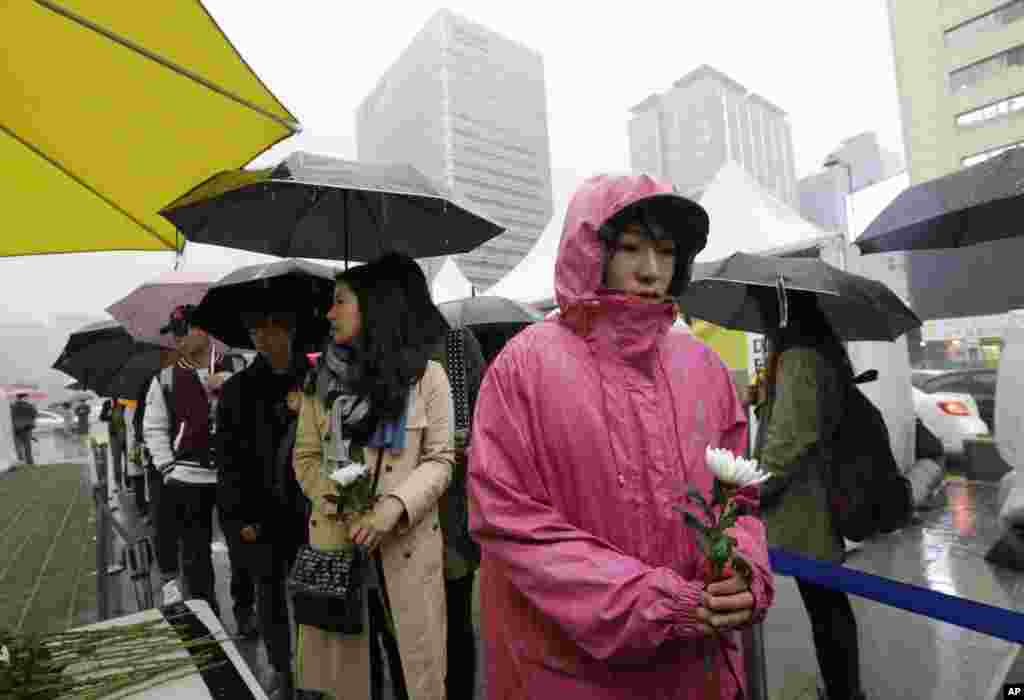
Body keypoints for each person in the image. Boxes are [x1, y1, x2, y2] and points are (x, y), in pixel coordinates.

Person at [468, 174, 775, 700]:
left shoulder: (703, 367)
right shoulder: (524, 366)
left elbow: (738, 498)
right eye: (631, 248)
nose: (651, 269)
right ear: (593, 252)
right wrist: (652, 602)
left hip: (694, 671)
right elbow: (507, 518)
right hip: (565, 671)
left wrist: (745, 569)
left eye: (665, 251)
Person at [292, 251, 454, 700]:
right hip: (339, 552)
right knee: (352, 684)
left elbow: (440, 460)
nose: (329, 313)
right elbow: (305, 458)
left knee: (413, 678)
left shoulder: (427, 379)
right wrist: (340, 499)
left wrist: (392, 510)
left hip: (405, 550)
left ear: (372, 305)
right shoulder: (319, 381)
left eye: (340, 301)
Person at [753, 295, 866, 700]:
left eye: (762, 307)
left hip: (807, 509)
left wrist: (751, 489)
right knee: (827, 604)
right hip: (817, 502)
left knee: (825, 607)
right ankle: (844, 689)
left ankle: (844, 692)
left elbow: (787, 443)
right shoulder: (814, 353)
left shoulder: (799, 359)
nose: (760, 318)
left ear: (782, 311)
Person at [217, 309, 314, 700]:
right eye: (254, 329)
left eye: (270, 328)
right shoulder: (237, 389)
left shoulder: (314, 381)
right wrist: (239, 515)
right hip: (260, 513)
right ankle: (281, 670)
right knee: (269, 592)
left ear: (288, 329)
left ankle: (315, 672)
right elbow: (228, 459)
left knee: (312, 595)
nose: (262, 337)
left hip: (308, 510)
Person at [143, 304, 242, 619]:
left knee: (243, 549)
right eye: (174, 333)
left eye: (183, 330)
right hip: (187, 478)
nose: (178, 339)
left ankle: (245, 610)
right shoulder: (166, 378)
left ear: (203, 330)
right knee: (195, 555)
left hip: (231, 475)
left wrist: (228, 388)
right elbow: (154, 426)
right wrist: (166, 467)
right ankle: (206, 615)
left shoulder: (236, 367)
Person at [431, 325, 487, 700]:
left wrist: (473, 439)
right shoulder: (379, 351)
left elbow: (487, 415)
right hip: (403, 518)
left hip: (451, 510)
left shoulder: (456, 344)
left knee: (455, 620)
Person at [10, 393, 37, 466]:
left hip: (16, 429)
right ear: (24, 397)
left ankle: (21, 462)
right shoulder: (30, 406)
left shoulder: (13, 406)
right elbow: (34, 415)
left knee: (18, 447)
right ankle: (30, 462)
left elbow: (11, 417)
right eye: (27, 397)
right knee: (27, 447)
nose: (28, 399)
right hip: (27, 428)